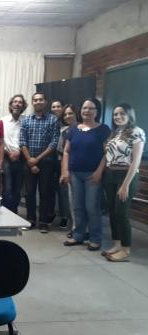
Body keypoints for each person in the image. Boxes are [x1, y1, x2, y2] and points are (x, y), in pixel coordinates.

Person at [61, 98, 110, 250]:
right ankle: (78, 235)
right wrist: (65, 171)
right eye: (84, 108)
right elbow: (66, 151)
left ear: (97, 111)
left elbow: (106, 153)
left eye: (91, 108)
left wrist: (99, 172)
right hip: (75, 173)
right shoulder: (74, 129)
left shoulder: (103, 129)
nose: (87, 111)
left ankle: (95, 238)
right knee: (77, 206)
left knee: (92, 207)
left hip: (92, 174)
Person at [102, 104, 145, 262]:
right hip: (110, 174)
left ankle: (125, 250)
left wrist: (125, 184)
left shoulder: (137, 132)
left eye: (121, 113)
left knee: (121, 212)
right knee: (112, 211)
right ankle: (116, 244)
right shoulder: (115, 133)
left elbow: (136, 161)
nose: (118, 117)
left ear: (129, 115)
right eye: (115, 114)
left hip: (126, 175)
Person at [19, 92, 59, 233]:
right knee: (29, 193)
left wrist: (37, 159)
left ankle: (43, 222)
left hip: (46, 161)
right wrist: (30, 159)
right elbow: (22, 142)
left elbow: (54, 142)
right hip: (28, 161)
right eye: (35, 100)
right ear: (32, 102)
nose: (38, 102)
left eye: (41, 99)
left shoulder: (53, 120)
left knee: (45, 192)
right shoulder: (26, 120)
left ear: (45, 102)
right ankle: (30, 220)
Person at [1, 94, 27, 214]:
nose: (17, 104)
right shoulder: (3, 121)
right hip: (6, 156)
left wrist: (19, 152)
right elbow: (0, 140)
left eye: (20, 102)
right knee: (7, 187)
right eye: (15, 102)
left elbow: (28, 139)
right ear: (11, 105)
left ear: (23, 106)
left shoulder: (26, 121)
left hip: (21, 156)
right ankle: (6, 212)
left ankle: (14, 211)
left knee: (18, 188)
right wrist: (9, 153)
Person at [57, 104, 79, 238]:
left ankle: (84, 228)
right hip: (69, 169)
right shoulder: (64, 132)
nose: (67, 116)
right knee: (72, 201)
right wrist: (63, 172)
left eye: (70, 113)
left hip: (83, 169)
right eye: (65, 114)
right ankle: (76, 227)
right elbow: (61, 153)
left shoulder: (83, 129)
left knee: (84, 203)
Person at [51, 99, 68, 228]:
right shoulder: (50, 122)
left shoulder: (68, 125)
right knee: (50, 190)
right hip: (50, 161)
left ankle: (64, 216)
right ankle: (51, 213)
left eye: (58, 106)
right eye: (53, 107)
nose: (56, 108)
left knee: (63, 191)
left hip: (63, 161)